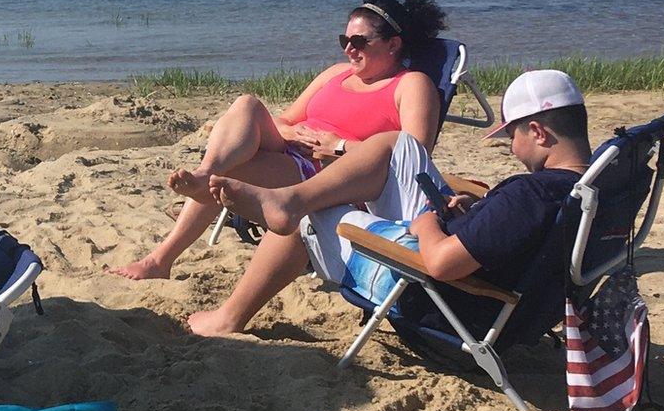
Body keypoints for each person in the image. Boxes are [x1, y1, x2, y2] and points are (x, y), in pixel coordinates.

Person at [108, 0, 448, 338]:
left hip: (336, 176)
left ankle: (201, 198)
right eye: (344, 39)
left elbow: (411, 156)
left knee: (228, 182)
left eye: (359, 40)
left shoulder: (411, 85)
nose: (348, 48)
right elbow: (284, 120)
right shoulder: (335, 74)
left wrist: (340, 145)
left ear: (392, 44)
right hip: (295, 154)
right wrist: (292, 134)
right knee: (247, 105)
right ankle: (166, 247)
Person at [198, 70, 592, 335]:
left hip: (443, 299)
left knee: (314, 210)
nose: (511, 149)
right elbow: (509, 233)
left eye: (512, 137)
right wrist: (475, 212)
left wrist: (425, 221)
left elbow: (442, 263)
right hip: (515, 296)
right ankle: (289, 199)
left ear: (538, 132)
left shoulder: (530, 194)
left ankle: (230, 315)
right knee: (398, 145)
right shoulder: (594, 189)